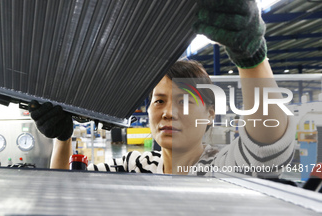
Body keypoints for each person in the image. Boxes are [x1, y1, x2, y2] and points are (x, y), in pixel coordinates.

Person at [29, 0, 295, 178]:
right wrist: (62, 139)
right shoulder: (133, 166)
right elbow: (65, 189)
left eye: (185, 101)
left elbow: (268, 148)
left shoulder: (223, 167)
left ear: (210, 113)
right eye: (159, 101)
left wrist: (251, 57)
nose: (168, 112)